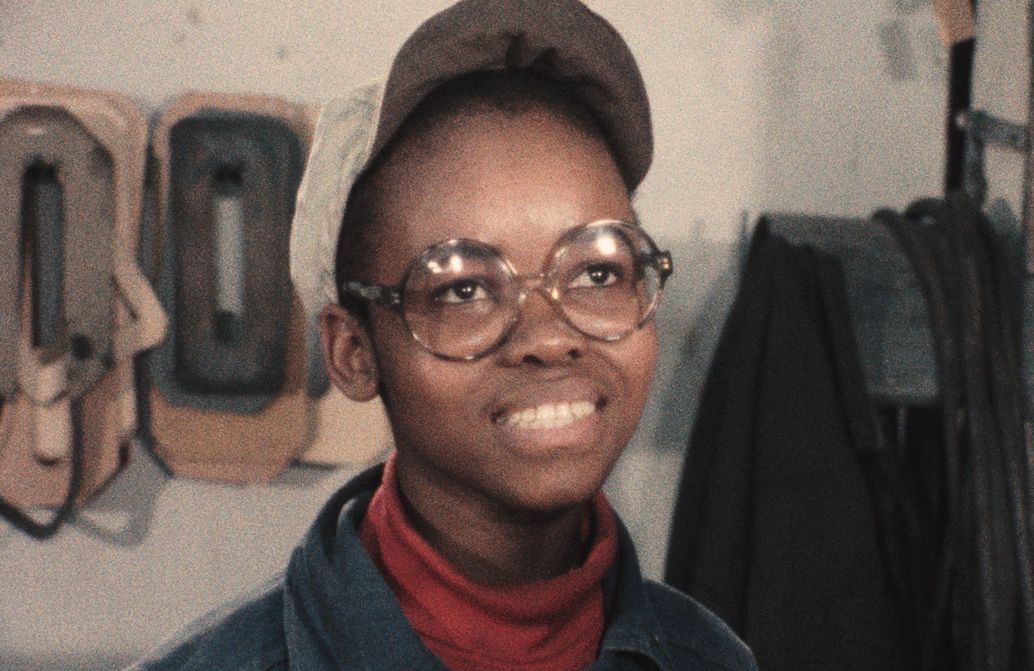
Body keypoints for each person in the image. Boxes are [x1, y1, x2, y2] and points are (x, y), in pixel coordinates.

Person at [134, 1, 758, 669]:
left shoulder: (711, 659)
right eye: (464, 289)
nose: (549, 337)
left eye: (597, 271)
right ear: (354, 352)